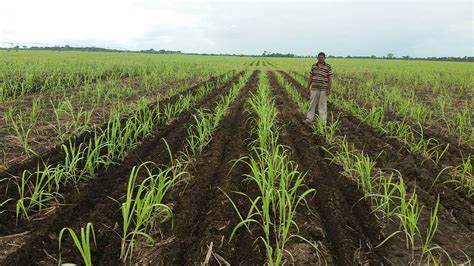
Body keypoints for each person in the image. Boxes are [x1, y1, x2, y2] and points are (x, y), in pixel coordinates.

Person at [304, 52, 333, 124]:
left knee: (322, 105)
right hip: (314, 88)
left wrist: (329, 89)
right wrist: (308, 88)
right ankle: (309, 119)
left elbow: (330, 79)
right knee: (312, 104)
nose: (321, 59)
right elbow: (310, 77)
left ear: (324, 58)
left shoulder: (328, 67)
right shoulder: (314, 66)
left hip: (323, 89)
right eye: (319, 57)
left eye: (322, 57)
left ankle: (322, 122)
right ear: (317, 58)